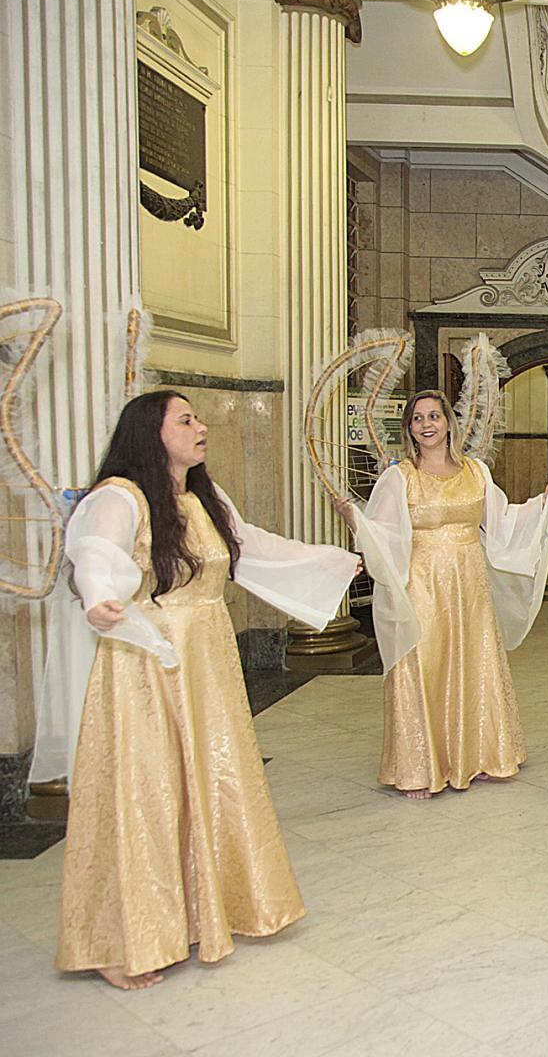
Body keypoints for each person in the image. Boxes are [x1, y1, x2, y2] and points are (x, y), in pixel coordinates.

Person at [56, 391, 360, 989]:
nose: (202, 428)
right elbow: (93, 550)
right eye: (186, 420)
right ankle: (127, 938)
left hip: (207, 657)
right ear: (151, 433)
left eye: (198, 417)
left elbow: (251, 546)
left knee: (212, 778)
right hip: (149, 658)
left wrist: (333, 559)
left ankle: (204, 910)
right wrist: (99, 598)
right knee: (149, 787)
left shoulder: (202, 498)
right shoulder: (121, 496)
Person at [340, 390, 548, 798]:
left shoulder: (476, 472)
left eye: (434, 416)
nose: (426, 424)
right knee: (424, 662)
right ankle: (419, 764)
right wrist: (355, 519)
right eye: (417, 418)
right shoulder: (399, 477)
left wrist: (545, 500)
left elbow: (502, 522)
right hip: (422, 581)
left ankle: (477, 754)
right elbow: (382, 533)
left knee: (472, 661)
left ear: (448, 422)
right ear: (409, 428)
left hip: (470, 582)